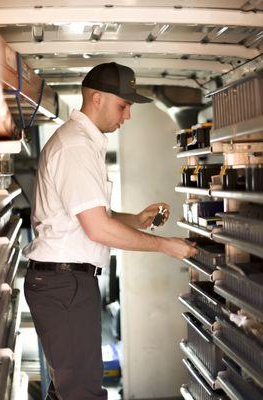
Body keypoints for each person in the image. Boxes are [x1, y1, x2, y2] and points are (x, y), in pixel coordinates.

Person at [23, 62, 197, 400]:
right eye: (124, 105)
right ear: (97, 98)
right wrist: (165, 246)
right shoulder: (76, 147)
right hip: (64, 284)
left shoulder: (83, 143)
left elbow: (92, 214)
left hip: (66, 282)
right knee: (82, 392)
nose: (128, 115)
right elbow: (98, 229)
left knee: (73, 389)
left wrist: (136, 219)